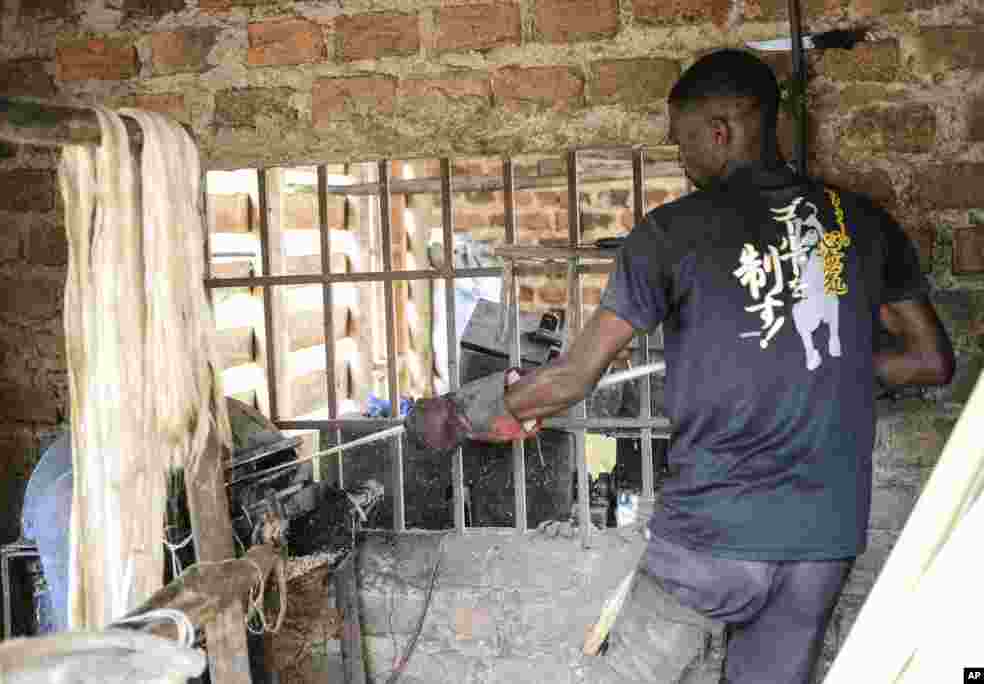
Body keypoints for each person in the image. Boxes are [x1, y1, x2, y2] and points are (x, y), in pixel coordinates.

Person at [407, 49, 955, 684]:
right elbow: (929, 360)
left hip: (710, 535)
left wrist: (463, 411)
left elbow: (575, 377)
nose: (682, 160)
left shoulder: (670, 233)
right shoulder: (858, 223)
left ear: (719, 133)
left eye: (682, 142)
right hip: (821, 540)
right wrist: (830, 364)